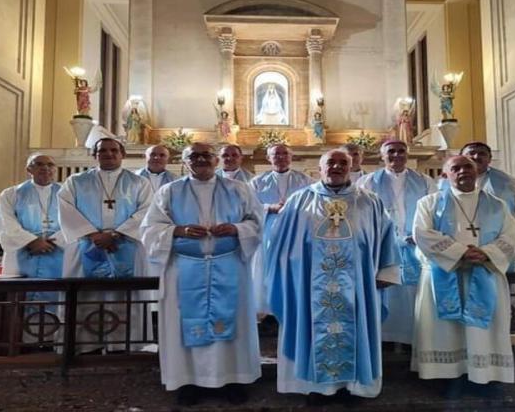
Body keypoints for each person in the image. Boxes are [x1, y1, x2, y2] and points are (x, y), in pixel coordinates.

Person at [266, 149, 401, 403]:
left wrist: (386, 272)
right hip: (309, 285)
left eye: (343, 163)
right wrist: (291, 276)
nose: (336, 167)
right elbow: (278, 243)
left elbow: (387, 237)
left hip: (359, 283)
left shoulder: (369, 201)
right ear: (320, 168)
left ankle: (354, 387)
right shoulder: (299, 200)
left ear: (351, 167)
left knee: (357, 329)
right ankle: (317, 388)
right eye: (331, 162)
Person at [141, 143, 263, 406]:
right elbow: (150, 228)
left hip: (228, 266)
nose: (200, 160)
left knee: (233, 323)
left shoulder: (239, 189)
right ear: (184, 162)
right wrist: (178, 231)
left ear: (216, 160)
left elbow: (257, 222)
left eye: (206, 155)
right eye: (193, 156)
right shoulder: (169, 191)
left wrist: (236, 229)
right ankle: (189, 381)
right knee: (185, 324)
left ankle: (233, 379)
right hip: (185, 267)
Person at [411, 155, 515, 398]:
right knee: (446, 330)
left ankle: (485, 377)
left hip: (485, 274)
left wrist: (487, 253)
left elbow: (511, 233)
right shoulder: (429, 202)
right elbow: (421, 233)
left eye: (467, 167)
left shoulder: (497, 204)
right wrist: (460, 252)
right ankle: (447, 377)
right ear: (445, 174)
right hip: (445, 275)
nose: (463, 171)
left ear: (477, 171)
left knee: (482, 330)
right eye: (456, 168)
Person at [58, 137, 153, 353]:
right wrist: (93, 234)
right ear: (94, 155)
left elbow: (147, 211)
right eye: (103, 151)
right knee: (87, 296)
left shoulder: (139, 183)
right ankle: (86, 346)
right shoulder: (76, 182)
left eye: (113, 150)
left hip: (127, 245)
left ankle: (124, 345)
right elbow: (65, 208)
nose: (108, 154)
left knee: (125, 297)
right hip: (86, 246)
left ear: (123, 154)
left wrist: (117, 234)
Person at [357, 139, 436, 346]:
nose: (396, 155)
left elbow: (434, 210)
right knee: (386, 293)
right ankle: (385, 340)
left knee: (413, 295)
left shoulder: (424, 181)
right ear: (382, 156)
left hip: (414, 247)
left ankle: (414, 340)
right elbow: (359, 214)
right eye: (391, 152)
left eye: (401, 151)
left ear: (407, 154)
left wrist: (422, 233)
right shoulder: (368, 182)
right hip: (382, 247)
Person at [0, 154, 67, 320]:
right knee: (20, 299)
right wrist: (31, 241)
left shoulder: (67, 194)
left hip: (59, 251)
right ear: (29, 169)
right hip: (22, 253)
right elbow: (4, 222)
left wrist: (55, 241)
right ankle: (23, 342)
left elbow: (76, 221)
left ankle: (55, 341)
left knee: (60, 299)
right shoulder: (11, 194)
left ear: (55, 169)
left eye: (50, 164)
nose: (45, 168)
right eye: (39, 164)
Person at [249, 144, 312, 315]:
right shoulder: (257, 181)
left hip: (295, 230)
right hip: (269, 230)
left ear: (291, 157)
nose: (281, 157)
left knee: (292, 267)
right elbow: (250, 206)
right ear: (269, 158)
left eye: (285, 154)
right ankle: (267, 309)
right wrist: (270, 207)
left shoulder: (305, 180)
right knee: (267, 268)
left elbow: (313, 204)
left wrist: (293, 209)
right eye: (276, 154)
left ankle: (292, 306)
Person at [459, 142, 515, 233]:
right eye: (471, 153)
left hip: (499, 237)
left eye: (482, 154)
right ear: (460, 158)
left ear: (489, 159)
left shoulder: (508, 182)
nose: (476, 157)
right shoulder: (446, 183)